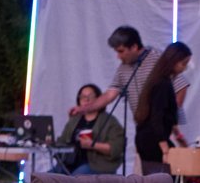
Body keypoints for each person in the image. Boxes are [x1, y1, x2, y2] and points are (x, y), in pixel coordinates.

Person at [67, 26, 191, 173]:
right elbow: (109, 95)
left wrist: (171, 117)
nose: (118, 57)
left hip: (162, 128)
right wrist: (83, 109)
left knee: (164, 175)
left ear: (134, 47)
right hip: (145, 130)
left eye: (121, 51)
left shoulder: (156, 59)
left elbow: (181, 85)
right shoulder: (123, 70)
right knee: (144, 176)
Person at [133, 42, 192, 174]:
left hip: (147, 138)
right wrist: (165, 149)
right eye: (183, 63)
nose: (184, 68)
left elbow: (164, 115)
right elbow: (156, 118)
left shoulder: (159, 81)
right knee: (165, 180)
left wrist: (177, 134)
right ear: (174, 61)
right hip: (153, 140)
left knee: (158, 181)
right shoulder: (163, 84)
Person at [56, 84, 124, 175]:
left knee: (74, 179)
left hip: (97, 166)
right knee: (45, 180)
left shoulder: (110, 122)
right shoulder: (74, 120)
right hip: (70, 163)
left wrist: (93, 145)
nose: (86, 100)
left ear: (99, 99)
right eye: (82, 97)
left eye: (90, 96)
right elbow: (62, 141)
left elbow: (116, 149)